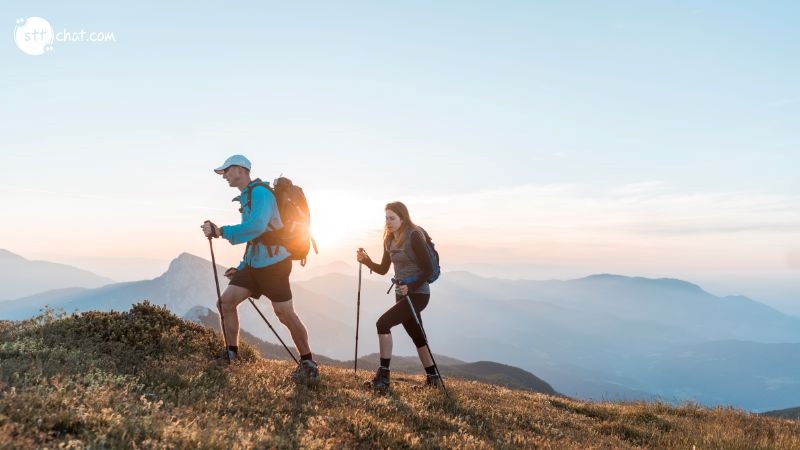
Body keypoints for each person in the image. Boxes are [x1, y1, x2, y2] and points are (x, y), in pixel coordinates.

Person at [201, 154, 319, 384]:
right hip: (254, 264)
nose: (224, 176)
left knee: (284, 314)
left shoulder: (261, 193)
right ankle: (231, 354)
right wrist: (243, 266)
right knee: (225, 303)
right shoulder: (247, 196)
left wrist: (220, 231)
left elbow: (256, 227)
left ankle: (308, 362)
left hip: (275, 264)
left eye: (226, 171)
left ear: (240, 169)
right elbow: (255, 238)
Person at [356, 201, 440, 390]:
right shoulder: (389, 239)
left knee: (383, 323)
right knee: (417, 335)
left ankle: (384, 378)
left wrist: (410, 286)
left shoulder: (414, 236)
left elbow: (428, 269)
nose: (388, 222)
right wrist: (366, 261)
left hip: (418, 294)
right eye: (386, 218)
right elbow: (384, 268)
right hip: (401, 293)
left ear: (403, 218)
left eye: (392, 218)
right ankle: (432, 378)